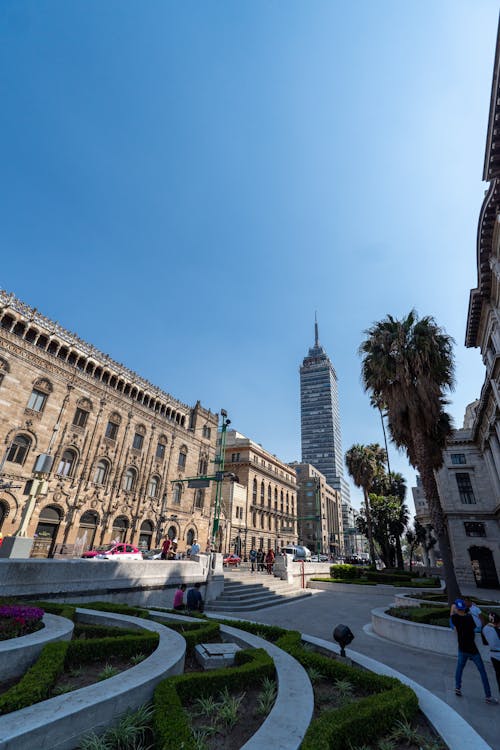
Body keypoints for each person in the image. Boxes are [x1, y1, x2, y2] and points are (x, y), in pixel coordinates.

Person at [451, 598, 497, 704]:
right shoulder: (469, 618)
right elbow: (474, 627)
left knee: (459, 669)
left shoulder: (455, 618)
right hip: (473, 649)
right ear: (464, 608)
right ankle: (488, 696)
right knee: (482, 672)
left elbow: (452, 615)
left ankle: (457, 687)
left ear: (458, 608)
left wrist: (454, 608)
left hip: (462, 649)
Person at [483, 612, 500, 694]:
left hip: (493, 656)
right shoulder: (498, 630)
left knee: (498, 677)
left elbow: (485, 643)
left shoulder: (484, 629)